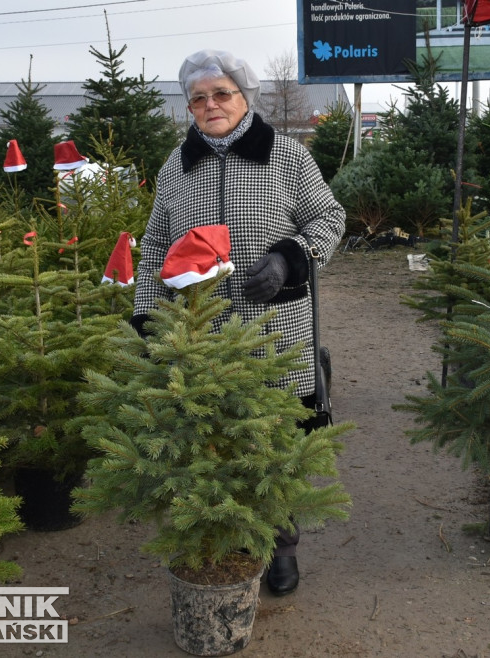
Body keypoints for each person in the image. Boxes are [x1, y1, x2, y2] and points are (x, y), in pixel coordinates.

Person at [130, 50, 346, 595]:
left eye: (221, 93)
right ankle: (229, 541)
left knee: (276, 443)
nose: (210, 105)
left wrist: (287, 258)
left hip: (276, 332)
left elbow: (330, 217)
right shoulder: (176, 167)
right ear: (189, 108)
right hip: (201, 334)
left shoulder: (288, 156)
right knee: (215, 441)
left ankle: (281, 543)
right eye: (199, 98)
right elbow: (156, 242)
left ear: (244, 96)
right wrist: (146, 310)